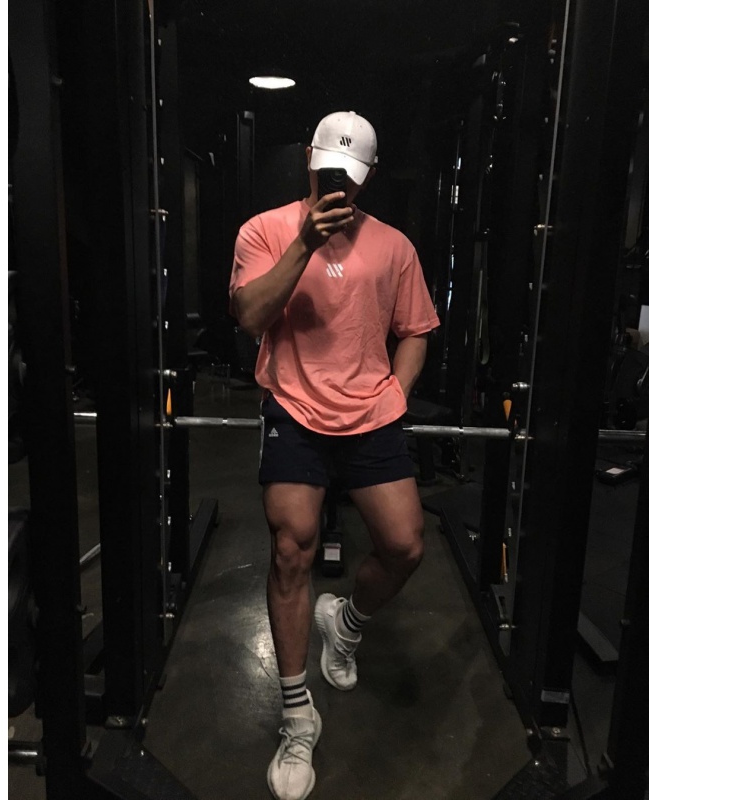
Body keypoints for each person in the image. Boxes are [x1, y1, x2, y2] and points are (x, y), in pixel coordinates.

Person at [229, 110, 441, 800]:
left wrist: (397, 394)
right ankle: (297, 716)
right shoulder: (264, 230)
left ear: (368, 177)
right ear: (308, 160)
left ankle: (344, 622)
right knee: (291, 548)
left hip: (372, 415)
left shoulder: (395, 246)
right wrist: (304, 245)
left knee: (405, 546)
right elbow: (250, 317)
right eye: (327, 171)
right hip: (294, 409)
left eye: (349, 177)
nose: (336, 185)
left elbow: (415, 329)